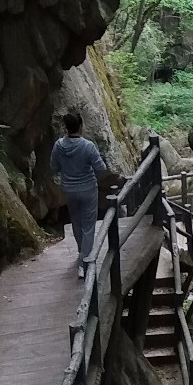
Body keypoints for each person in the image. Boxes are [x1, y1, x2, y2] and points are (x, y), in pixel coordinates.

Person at [50, 110, 107, 279]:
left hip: (69, 189)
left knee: (76, 223)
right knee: (89, 226)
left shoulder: (58, 146)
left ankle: (82, 254)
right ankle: (85, 262)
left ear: (66, 127)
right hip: (88, 189)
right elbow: (101, 168)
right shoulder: (88, 146)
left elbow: (53, 168)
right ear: (81, 126)